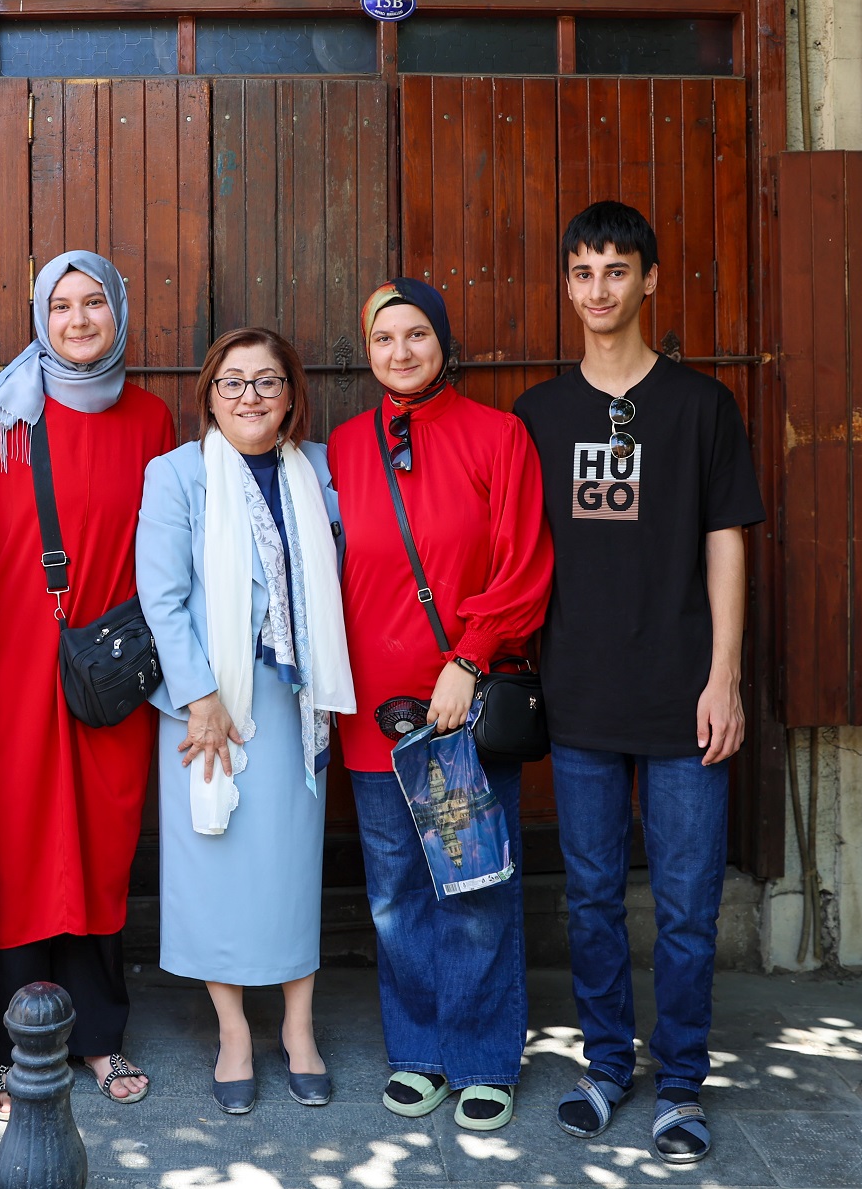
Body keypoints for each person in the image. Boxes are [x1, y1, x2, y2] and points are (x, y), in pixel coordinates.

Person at [511, 200, 765, 1166]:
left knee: (691, 904)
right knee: (587, 897)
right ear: (567, 286)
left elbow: (726, 541)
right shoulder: (539, 414)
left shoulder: (701, 406)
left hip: (683, 694)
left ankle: (684, 1081)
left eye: (617, 270)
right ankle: (606, 1063)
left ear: (649, 280)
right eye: (582, 272)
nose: (599, 290)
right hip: (578, 695)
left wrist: (725, 677)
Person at [326, 278, 552, 1134]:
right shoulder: (345, 445)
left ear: (443, 343)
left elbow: (524, 566)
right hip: (372, 711)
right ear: (369, 350)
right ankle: (418, 1049)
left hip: (461, 707)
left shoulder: (497, 435)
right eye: (384, 338)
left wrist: (467, 657)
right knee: (395, 892)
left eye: (416, 334)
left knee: (475, 884)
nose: (401, 351)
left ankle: (485, 1056)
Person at [0, 251, 174, 1114]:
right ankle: (11, 1043)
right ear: (40, 318)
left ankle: (97, 1035)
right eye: (62, 305)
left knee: (98, 834)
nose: (79, 320)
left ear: (119, 312)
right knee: (17, 838)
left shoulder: (154, 416)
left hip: (106, 665)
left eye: (94, 303)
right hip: (10, 655)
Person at [138, 327, 356, 1116]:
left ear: (292, 395)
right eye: (233, 383)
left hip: (298, 696)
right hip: (209, 702)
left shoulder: (322, 469)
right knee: (215, 861)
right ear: (209, 396)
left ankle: (299, 1027)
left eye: (268, 382)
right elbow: (161, 597)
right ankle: (232, 1029)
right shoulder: (177, 476)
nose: (251, 397)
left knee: (289, 869)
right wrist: (200, 697)